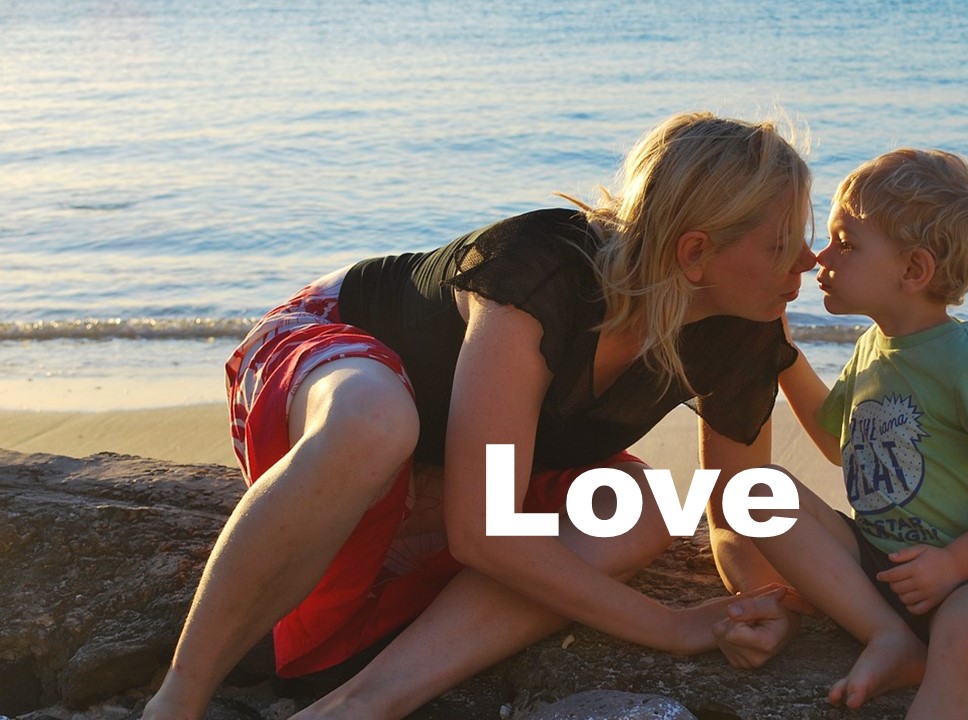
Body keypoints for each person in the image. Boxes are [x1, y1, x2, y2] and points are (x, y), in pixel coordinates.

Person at [140, 111, 818, 719]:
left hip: (456, 456)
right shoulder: (539, 273)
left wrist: (757, 608)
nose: (810, 261)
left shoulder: (745, 328)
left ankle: (361, 704)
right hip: (328, 363)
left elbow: (737, 515)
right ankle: (179, 699)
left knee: (641, 508)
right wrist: (670, 625)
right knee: (376, 420)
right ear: (695, 253)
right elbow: (485, 532)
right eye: (783, 241)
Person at [725, 148, 968, 718]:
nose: (820, 259)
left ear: (914, 270)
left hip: (967, 577)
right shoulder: (872, 347)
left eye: (846, 243)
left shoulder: (967, 366)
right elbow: (842, 448)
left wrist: (955, 564)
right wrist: (783, 359)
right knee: (753, 493)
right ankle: (892, 639)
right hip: (878, 562)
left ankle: (922, 671)